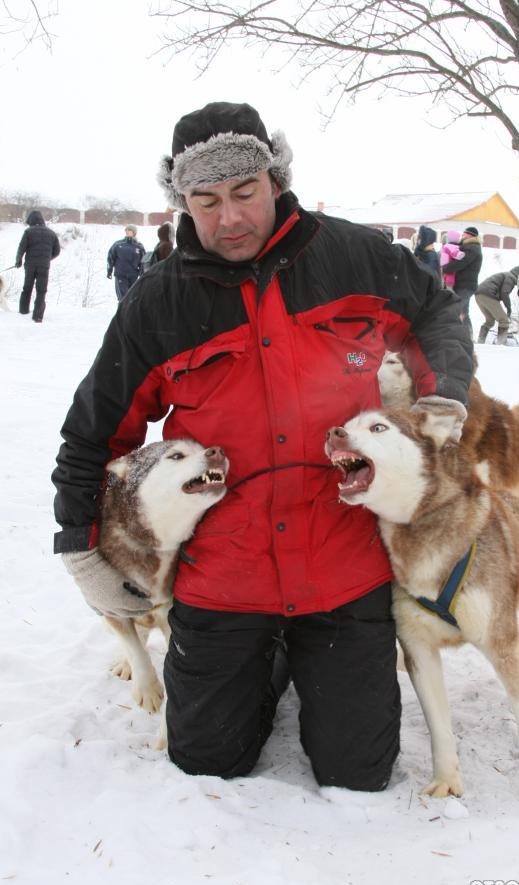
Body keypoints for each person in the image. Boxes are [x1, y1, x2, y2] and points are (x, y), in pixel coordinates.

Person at [53, 101, 473, 791]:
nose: (229, 218)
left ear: (276, 179)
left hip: (343, 567)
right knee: (208, 762)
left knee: (358, 772)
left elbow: (435, 312)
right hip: (226, 577)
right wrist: (80, 543)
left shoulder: (355, 256)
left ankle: (309, 664)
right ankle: (264, 660)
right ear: (182, 201)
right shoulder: (159, 302)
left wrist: (444, 391)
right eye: (205, 200)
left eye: (245, 193)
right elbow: (94, 430)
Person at [15, 210, 60, 322]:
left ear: (31, 220)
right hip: (44, 265)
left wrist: (18, 261)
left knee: (27, 287)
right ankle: (38, 316)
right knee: (41, 290)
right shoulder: (51, 233)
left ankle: (23, 311)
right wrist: (47, 258)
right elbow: (57, 251)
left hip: (30, 264)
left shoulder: (28, 232)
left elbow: (21, 248)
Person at [440, 226, 483, 334]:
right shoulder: (467, 246)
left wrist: (446, 268)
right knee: (462, 310)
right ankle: (467, 335)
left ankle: (465, 335)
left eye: (465, 233)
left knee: (459, 309)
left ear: (471, 236)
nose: (463, 235)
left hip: (466, 285)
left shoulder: (472, 248)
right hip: (462, 284)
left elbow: (461, 262)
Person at [474, 265, 519, 345]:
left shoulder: (506, 275)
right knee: (503, 320)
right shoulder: (511, 277)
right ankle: (501, 343)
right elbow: (504, 292)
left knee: (490, 321)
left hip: (478, 295)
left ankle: (480, 342)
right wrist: (508, 308)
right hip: (488, 294)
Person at [106, 225, 145, 301]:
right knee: (123, 298)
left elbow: (143, 261)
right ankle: (122, 311)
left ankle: (130, 312)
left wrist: (142, 274)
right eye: (126, 230)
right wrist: (109, 271)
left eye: (129, 230)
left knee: (132, 298)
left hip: (133, 276)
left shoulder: (139, 246)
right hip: (120, 275)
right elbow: (111, 257)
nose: (127, 231)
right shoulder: (118, 244)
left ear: (134, 233)